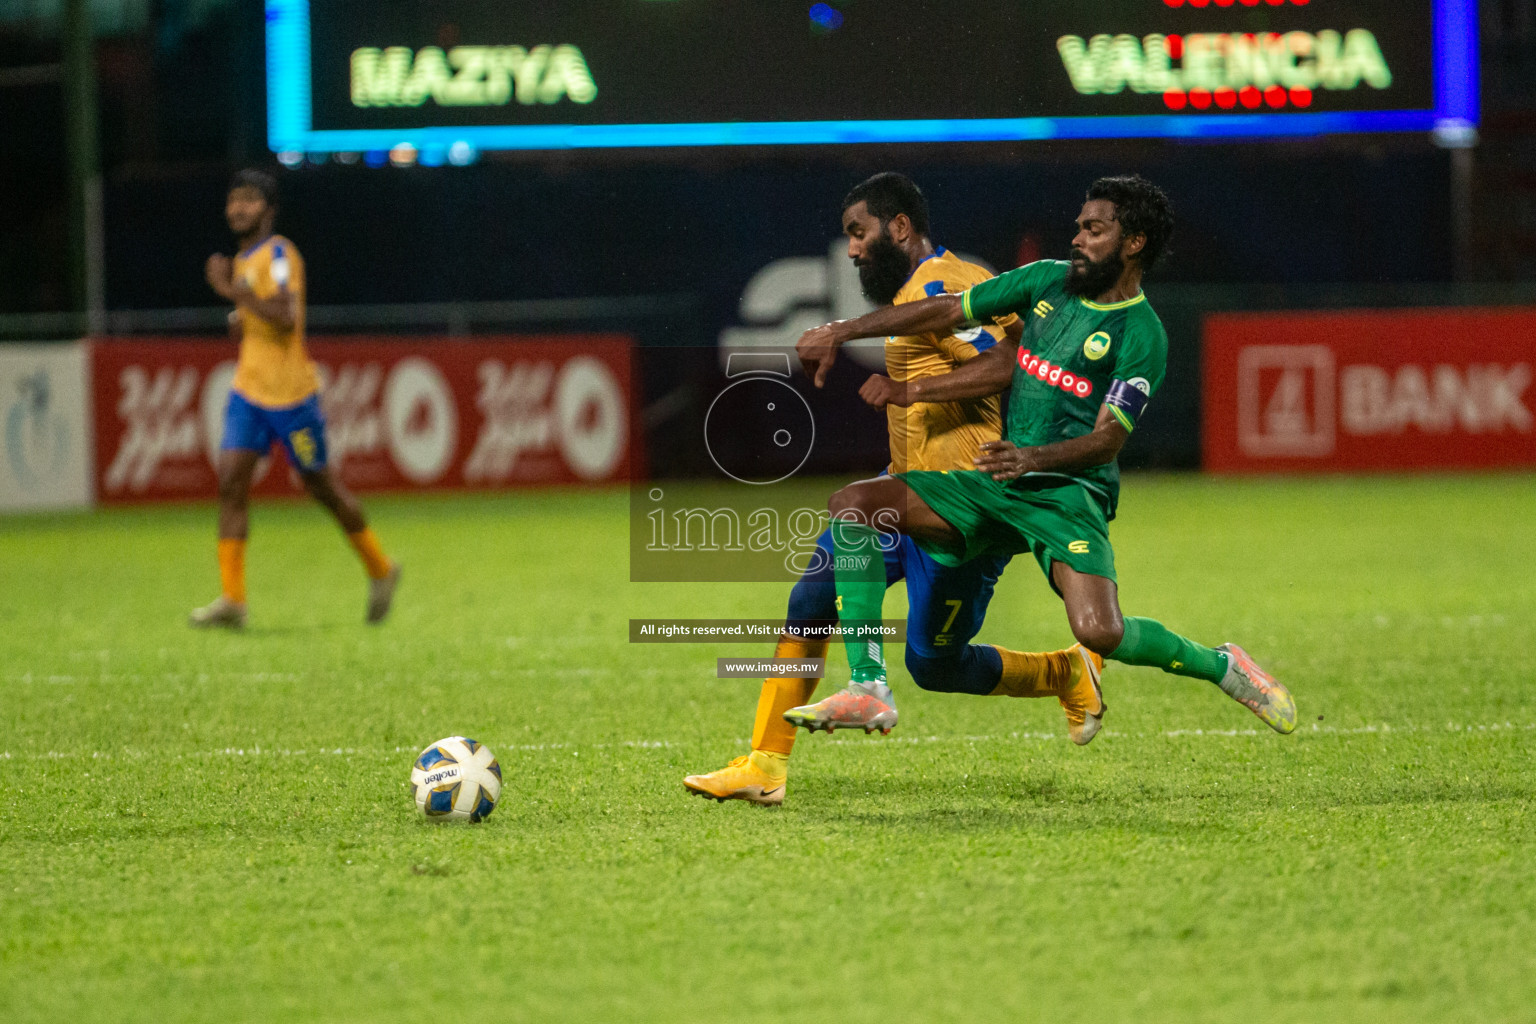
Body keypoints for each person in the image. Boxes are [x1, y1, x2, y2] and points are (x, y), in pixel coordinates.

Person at [794, 174, 1297, 740]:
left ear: (1133, 243)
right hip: (1000, 477)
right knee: (856, 504)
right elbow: (945, 311)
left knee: (1099, 631)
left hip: (1067, 493)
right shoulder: (1046, 281)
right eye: (1079, 225)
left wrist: (1033, 459)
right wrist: (842, 330)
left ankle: (1224, 666)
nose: (1078, 237)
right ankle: (868, 687)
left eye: (1094, 228)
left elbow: (1108, 439)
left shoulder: (1142, 334)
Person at [683, 173, 1104, 808]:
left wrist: (912, 390)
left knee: (938, 665)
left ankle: (1067, 670)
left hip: (962, 504)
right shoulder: (914, 292)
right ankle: (766, 763)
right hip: (902, 492)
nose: (851, 249)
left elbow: (1011, 366)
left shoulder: (942, 283)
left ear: (899, 227)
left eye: (860, 233)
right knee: (810, 601)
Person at [189, 169, 401, 629]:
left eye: (248, 200)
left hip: (291, 398)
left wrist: (231, 293)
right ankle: (233, 600)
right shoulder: (246, 260)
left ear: (268, 209)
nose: (237, 209)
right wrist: (239, 314)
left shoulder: (280, 254)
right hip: (249, 393)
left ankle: (381, 569)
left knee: (320, 486)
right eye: (232, 200)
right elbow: (260, 315)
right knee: (230, 483)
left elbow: (286, 316)